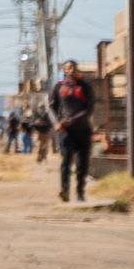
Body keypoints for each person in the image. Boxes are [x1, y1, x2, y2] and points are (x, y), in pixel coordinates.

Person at [49, 61, 97, 202]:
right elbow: (51, 108)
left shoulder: (85, 87)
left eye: (74, 67)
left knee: (82, 164)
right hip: (65, 133)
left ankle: (80, 193)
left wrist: (72, 120)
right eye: (69, 67)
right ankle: (64, 191)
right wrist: (56, 123)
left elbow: (89, 109)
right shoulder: (58, 87)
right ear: (64, 70)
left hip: (83, 131)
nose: (72, 69)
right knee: (66, 162)